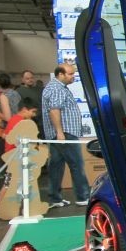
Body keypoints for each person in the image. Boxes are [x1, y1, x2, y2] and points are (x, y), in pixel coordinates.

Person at [42, 64, 89, 209]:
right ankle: (83, 196)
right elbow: (54, 110)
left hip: (59, 133)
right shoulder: (57, 88)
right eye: (70, 74)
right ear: (60, 74)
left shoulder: (55, 87)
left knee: (56, 166)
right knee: (77, 164)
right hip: (65, 133)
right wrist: (60, 133)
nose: (73, 77)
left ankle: (55, 198)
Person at [0, 98, 38, 219]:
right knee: (9, 184)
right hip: (16, 158)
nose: (33, 115)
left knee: (16, 183)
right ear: (24, 109)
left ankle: (17, 208)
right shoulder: (20, 122)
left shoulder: (13, 119)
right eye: (32, 112)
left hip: (15, 156)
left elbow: (4, 135)